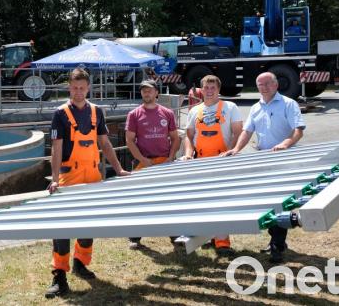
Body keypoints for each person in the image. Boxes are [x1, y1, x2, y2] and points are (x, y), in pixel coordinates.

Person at [45, 68, 131, 298]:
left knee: (89, 223)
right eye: (74, 88)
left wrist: (119, 168)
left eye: (82, 88)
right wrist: (54, 180)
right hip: (68, 178)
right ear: (69, 88)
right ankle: (59, 275)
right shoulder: (60, 113)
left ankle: (80, 264)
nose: (79, 92)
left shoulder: (96, 112)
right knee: (62, 228)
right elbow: (56, 148)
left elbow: (104, 143)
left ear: (88, 88)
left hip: (93, 177)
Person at [223, 71, 306, 262]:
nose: (264, 87)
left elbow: (298, 131)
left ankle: (277, 245)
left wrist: (286, 143)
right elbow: (247, 131)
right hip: (263, 159)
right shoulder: (255, 107)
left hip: (284, 159)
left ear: (276, 85)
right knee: (268, 202)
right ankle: (277, 241)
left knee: (280, 201)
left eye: (267, 84)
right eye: (260, 84)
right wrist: (236, 149)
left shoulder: (288, 104)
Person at [180, 74, 243, 257]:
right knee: (202, 202)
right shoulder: (194, 111)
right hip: (200, 163)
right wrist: (187, 154)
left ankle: (222, 242)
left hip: (222, 162)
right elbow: (189, 136)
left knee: (221, 202)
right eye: (206, 87)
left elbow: (238, 132)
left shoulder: (230, 107)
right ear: (201, 90)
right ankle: (206, 237)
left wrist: (229, 151)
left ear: (218, 89)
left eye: (213, 87)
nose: (209, 91)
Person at [125, 79, 181, 250]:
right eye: (143, 90)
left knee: (168, 199)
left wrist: (171, 158)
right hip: (145, 162)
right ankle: (135, 237)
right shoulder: (134, 114)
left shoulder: (167, 113)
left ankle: (174, 234)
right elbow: (129, 140)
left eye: (149, 90)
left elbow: (175, 138)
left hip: (164, 161)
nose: (146, 93)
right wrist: (143, 160)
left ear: (156, 92)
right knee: (139, 200)